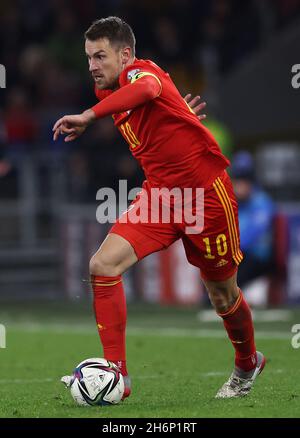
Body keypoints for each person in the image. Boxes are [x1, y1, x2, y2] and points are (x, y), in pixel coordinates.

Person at [55, 16, 265, 399]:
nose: (92, 66)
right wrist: (178, 113)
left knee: (222, 295)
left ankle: (247, 364)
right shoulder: (111, 94)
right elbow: (153, 106)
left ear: (126, 55)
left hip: (206, 197)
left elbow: (149, 87)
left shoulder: (143, 71)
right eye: (88, 58)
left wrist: (87, 116)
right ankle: (117, 375)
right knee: (102, 265)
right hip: (161, 199)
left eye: (100, 56)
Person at [231, 151, 275, 292]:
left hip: (257, 257)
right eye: (237, 179)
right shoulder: (231, 201)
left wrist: (231, 249)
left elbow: (252, 235)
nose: (240, 184)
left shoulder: (261, 201)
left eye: (244, 179)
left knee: (230, 280)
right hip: (237, 255)